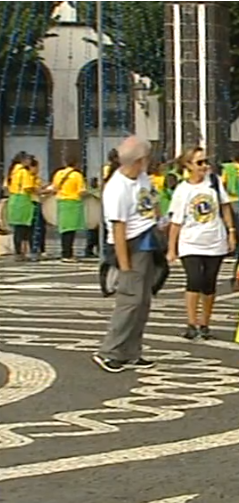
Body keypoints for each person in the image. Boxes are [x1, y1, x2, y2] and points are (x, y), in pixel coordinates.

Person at [92, 136, 160, 373]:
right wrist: (125, 267)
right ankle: (110, 351)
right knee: (129, 300)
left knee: (142, 301)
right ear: (140, 160)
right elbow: (118, 230)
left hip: (148, 240)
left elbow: (151, 201)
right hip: (130, 245)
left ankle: (132, 351)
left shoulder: (141, 178)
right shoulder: (116, 189)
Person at [166, 147, 237, 340]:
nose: (204, 166)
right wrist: (171, 249)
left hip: (215, 240)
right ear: (188, 166)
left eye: (206, 162)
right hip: (191, 242)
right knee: (194, 280)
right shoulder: (183, 190)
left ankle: (205, 323)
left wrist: (231, 232)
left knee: (209, 283)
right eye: (199, 163)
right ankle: (191, 323)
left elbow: (225, 207)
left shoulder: (213, 182)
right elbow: (176, 222)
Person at [50, 157, 88, 262]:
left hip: (61, 202)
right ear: (76, 164)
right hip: (73, 203)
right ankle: (68, 254)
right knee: (71, 230)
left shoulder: (59, 174)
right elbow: (81, 191)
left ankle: (65, 252)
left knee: (64, 229)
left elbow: (53, 188)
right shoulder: (77, 175)